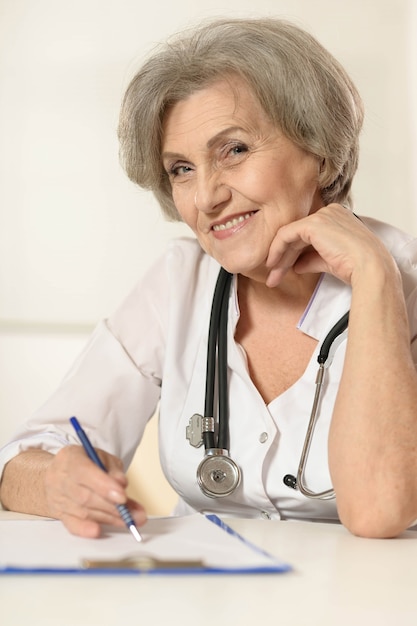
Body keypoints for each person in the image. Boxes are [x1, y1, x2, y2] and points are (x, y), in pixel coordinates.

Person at [1, 17, 417, 539]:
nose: (205, 197)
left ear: (321, 150)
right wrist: (59, 481)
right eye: (182, 169)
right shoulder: (181, 282)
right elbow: (16, 466)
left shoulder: (405, 279)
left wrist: (376, 280)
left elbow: (380, 512)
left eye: (234, 150)